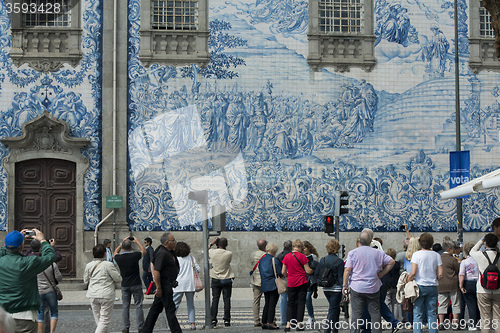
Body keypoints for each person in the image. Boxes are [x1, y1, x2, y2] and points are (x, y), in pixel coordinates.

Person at [0, 229, 57, 333]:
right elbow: (51, 256)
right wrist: (43, 240)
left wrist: (10, 243)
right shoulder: (28, 263)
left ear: (5, 244)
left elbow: (3, 251)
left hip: (2, 316)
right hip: (25, 316)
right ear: (22, 246)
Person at [342, 229, 395, 333]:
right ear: (371, 241)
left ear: (360, 241)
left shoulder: (352, 253)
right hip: (373, 286)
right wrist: (382, 273)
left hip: (357, 286)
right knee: (375, 313)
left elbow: (347, 270)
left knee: (356, 314)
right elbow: (391, 262)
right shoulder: (378, 253)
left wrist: (345, 285)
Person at [142, 233, 182, 333]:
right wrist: (159, 287)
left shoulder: (169, 251)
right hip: (164, 285)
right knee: (170, 310)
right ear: (167, 242)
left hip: (167, 283)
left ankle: (146, 330)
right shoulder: (162, 253)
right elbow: (156, 270)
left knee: (156, 309)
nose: (175, 242)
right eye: (173, 240)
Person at [407, 232, 443, 333]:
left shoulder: (416, 255)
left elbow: (413, 272)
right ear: (431, 243)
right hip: (432, 286)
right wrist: (435, 279)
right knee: (432, 313)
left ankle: (417, 331)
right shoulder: (436, 255)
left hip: (419, 286)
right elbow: (440, 274)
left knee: (418, 312)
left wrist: (407, 280)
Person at [84, 244, 122, 333]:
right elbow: (118, 278)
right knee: (104, 320)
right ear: (105, 254)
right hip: (106, 294)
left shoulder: (89, 265)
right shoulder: (108, 265)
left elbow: (85, 280)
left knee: (99, 320)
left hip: (93, 294)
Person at [113, 236, 147, 333]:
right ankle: (140, 327)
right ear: (130, 248)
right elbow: (143, 251)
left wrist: (121, 243)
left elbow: (114, 253)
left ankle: (125, 327)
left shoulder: (119, 258)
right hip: (136, 283)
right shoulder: (134, 255)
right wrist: (137, 241)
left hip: (125, 284)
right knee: (138, 305)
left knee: (125, 306)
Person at [28, 239, 63, 333]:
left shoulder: (33, 264)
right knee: (54, 313)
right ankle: (52, 332)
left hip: (38, 291)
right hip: (50, 291)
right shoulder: (52, 264)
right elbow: (59, 278)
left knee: (40, 314)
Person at [282, 239, 314, 332]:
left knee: (290, 303)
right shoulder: (303, 257)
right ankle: (298, 324)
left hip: (291, 282)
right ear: (300, 247)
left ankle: (288, 325)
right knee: (301, 303)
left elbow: (283, 272)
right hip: (301, 282)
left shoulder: (286, 257)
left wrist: (289, 276)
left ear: (293, 247)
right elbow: (308, 271)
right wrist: (313, 270)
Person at [470, 233, 500, 333]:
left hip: (483, 289)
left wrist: (481, 241)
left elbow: (472, 251)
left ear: (485, 243)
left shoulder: (479, 255)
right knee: (498, 317)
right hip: (498, 289)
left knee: (485, 317)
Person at [314, 239, 344, 333]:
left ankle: (335, 330)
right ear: (337, 249)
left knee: (335, 308)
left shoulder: (323, 260)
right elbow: (340, 277)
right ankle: (327, 330)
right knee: (333, 309)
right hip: (336, 289)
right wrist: (345, 288)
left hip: (326, 288)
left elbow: (316, 273)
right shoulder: (339, 261)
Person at [172, 241, 200, 331]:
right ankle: (192, 323)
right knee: (190, 304)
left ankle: (171, 323)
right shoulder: (191, 258)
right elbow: (198, 269)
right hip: (190, 284)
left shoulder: (175, 259)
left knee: (175, 304)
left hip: (178, 284)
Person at [209, 237, 235, 327]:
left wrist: (211, 243)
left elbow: (204, 250)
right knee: (226, 300)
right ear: (226, 244)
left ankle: (213, 319)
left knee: (215, 299)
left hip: (215, 278)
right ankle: (227, 320)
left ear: (217, 244)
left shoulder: (212, 252)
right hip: (226, 278)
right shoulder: (229, 253)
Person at [437, 240, 461, 329]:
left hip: (441, 284)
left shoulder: (439, 258)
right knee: (455, 303)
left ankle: (441, 323)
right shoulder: (452, 259)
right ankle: (455, 323)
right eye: (453, 249)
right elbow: (458, 271)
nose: (454, 251)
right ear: (449, 249)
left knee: (442, 304)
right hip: (453, 284)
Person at [258, 242, 281, 330]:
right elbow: (279, 272)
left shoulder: (262, 259)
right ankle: (271, 322)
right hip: (273, 284)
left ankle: (264, 321)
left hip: (264, 283)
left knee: (267, 303)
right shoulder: (274, 260)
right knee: (272, 304)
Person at [458, 242, 480, 330]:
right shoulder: (479, 260)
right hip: (478, 283)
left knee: (471, 305)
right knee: (479, 304)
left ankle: (472, 324)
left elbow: (461, 274)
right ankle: (479, 322)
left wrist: (461, 286)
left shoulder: (464, 262)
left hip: (468, 283)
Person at [250, 238, 267, 327]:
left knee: (256, 301)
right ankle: (270, 319)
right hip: (266, 280)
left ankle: (256, 320)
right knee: (269, 300)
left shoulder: (253, 254)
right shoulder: (267, 255)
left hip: (256, 280)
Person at [303, 240, 319, 325]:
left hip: (311, 281)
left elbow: (313, 269)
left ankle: (311, 316)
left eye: (304, 248)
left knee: (307, 297)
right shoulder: (301, 256)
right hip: (303, 279)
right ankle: (311, 316)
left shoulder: (313, 257)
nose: (303, 250)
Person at [277, 240, 293, 326]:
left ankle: (283, 319)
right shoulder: (292, 255)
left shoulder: (280, 255)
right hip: (291, 278)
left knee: (283, 299)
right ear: (291, 247)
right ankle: (291, 319)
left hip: (283, 279)